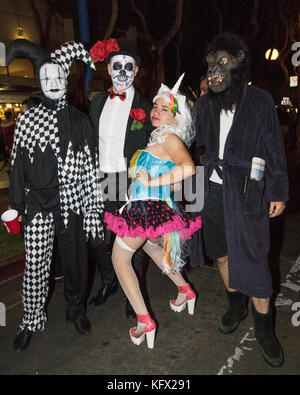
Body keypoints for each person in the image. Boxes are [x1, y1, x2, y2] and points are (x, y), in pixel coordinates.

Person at [192, 32, 289, 367]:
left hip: (248, 192)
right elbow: (190, 143)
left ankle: (264, 330)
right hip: (213, 192)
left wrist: (277, 191)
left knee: (256, 262)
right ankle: (235, 305)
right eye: (211, 63)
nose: (215, 69)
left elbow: (274, 148)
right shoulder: (203, 104)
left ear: (239, 65)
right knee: (221, 257)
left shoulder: (259, 101)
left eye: (224, 62)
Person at [5, 39, 103, 351]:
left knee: (75, 262)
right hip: (37, 205)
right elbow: (17, 164)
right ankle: (30, 320)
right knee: (36, 266)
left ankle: (77, 311)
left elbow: (92, 169)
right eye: (46, 78)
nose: (52, 82)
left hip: (72, 202)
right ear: (40, 81)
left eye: (57, 77)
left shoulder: (79, 120)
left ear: (65, 80)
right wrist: (16, 205)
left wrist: (93, 210)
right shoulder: (27, 119)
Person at [104, 74, 202, 349]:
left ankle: (144, 320)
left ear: (176, 117)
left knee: (120, 260)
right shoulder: (158, 138)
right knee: (151, 249)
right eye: (155, 107)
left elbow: (188, 168)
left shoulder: (170, 138)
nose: (157, 112)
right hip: (144, 207)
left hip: (148, 208)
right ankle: (185, 289)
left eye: (165, 109)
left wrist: (151, 182)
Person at [88, 38, 153, 318]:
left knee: (131, 244)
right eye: (117, 66)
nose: (123, 71)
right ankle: (110, 282)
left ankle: (132, 293)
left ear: (136, 71)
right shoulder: (98, 101)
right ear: (108, 69)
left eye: (129, 66)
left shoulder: (146, 107)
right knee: (100, 239)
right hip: (101, 179)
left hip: (131, 182)